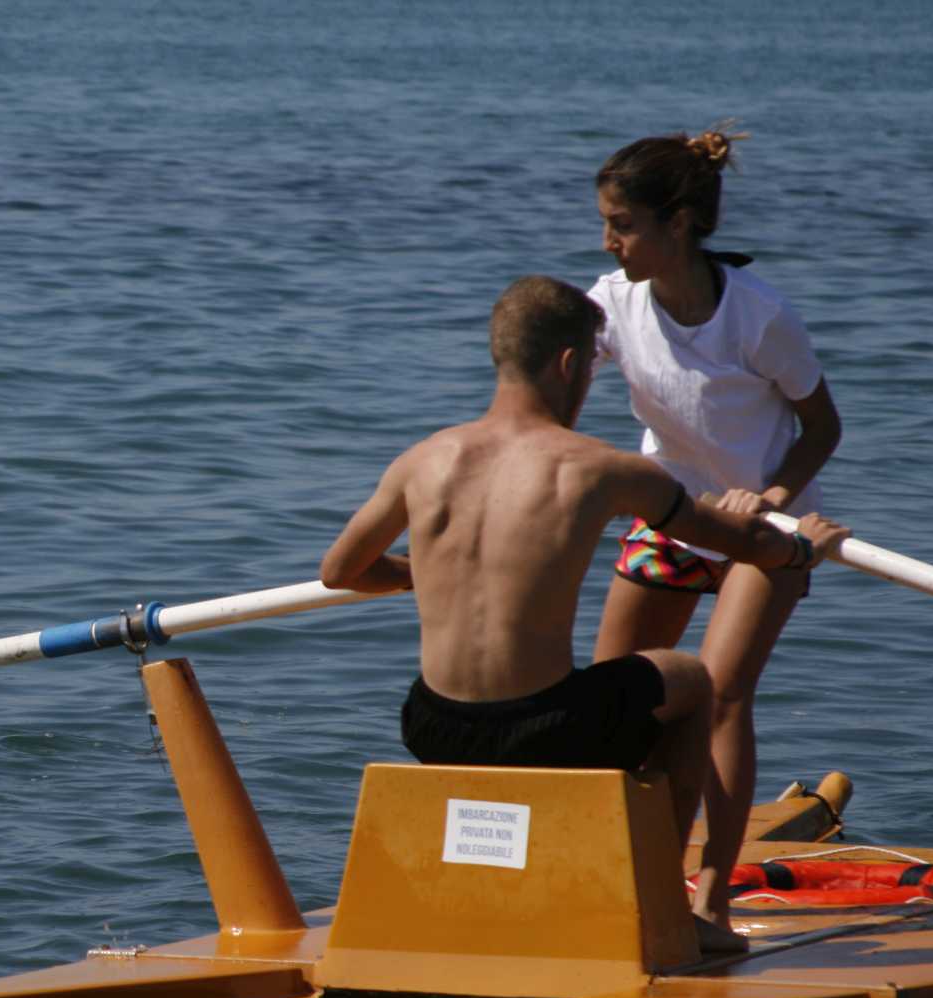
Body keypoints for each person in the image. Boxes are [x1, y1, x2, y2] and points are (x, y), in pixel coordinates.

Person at [320, 275, 847, 953]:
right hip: (543, 730)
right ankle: (667, 910)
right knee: (687, 680)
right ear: (571, 365)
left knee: (610, 690)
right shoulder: (605, 469)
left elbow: (340, 571)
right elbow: (746, 546)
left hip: (430, 725)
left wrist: (436, 574)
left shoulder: (423, 459)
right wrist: (804, 547)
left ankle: (550, 881)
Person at [587, 128, 843, 940]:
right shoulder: (609, 304)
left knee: (722, 696)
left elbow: (822, 428)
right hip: (671, 517)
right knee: (609, 704)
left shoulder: (759, 318)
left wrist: (766, 498)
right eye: (605, 222)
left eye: (622, 223)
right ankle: (617, 878)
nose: (608, 240)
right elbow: (546, 388)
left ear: (682, 221)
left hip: (766, 532)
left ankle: (710, 904)